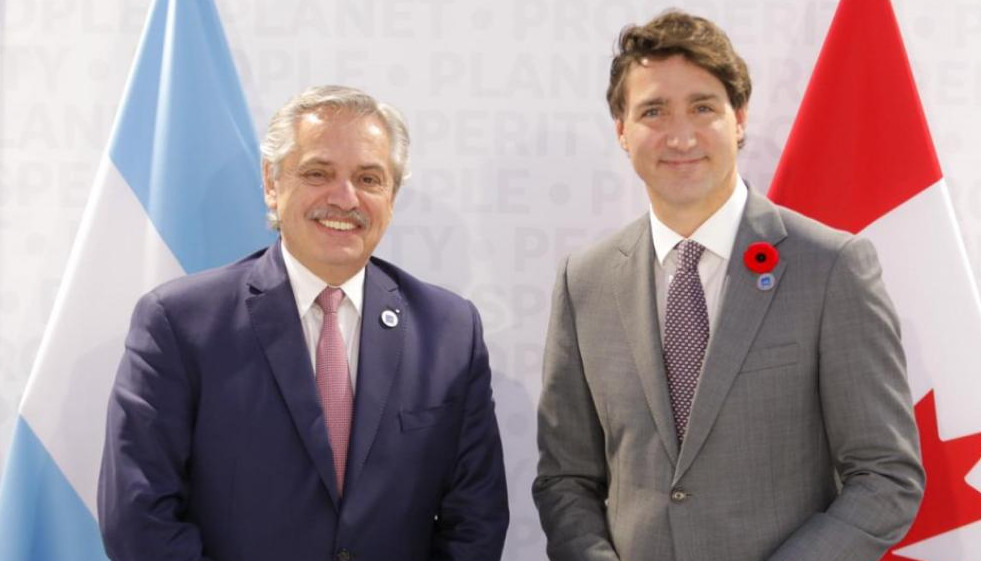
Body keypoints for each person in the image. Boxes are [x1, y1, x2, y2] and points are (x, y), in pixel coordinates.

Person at [532, 10, 923, 561]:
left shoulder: (831, 267)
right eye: (653, 111)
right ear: (622, 131)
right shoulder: (585, 282)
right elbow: (566, 478)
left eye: (703, 107)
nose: (680, 134)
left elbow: (886, 477)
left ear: (739, 119)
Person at [99, 85, 509, 561]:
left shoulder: (450, 332)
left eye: (370, 179)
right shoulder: (178, 324)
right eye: (318, 173)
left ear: (392, 196)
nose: (344, 198)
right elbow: (139, 518)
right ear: (272, 183)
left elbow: (476, 518)